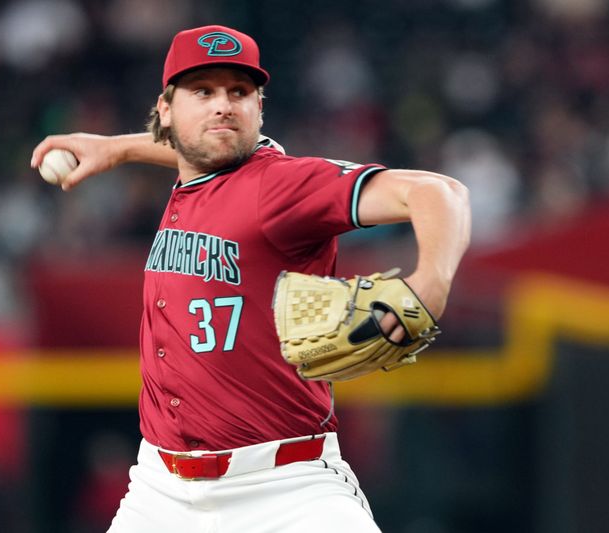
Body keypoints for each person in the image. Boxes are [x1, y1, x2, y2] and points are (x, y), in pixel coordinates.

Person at [32, 24, 470, 533]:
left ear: (259, 109)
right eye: (204, 91)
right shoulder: (195, 173)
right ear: (166, 110)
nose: (223, 105)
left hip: (285, 490)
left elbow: (442, 194)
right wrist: (120, 148)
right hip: (159, 490)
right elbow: (191, 150)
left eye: (239, 92)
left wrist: (429, 286)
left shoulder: (279, 186)